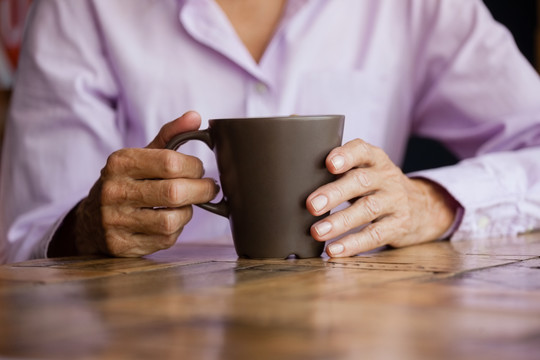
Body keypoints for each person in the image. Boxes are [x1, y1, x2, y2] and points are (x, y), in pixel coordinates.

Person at [1, 0, 540, 264]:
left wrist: (431, 203)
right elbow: (23, 234)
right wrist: (85, 232)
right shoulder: (79, 7)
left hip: (355, 329)